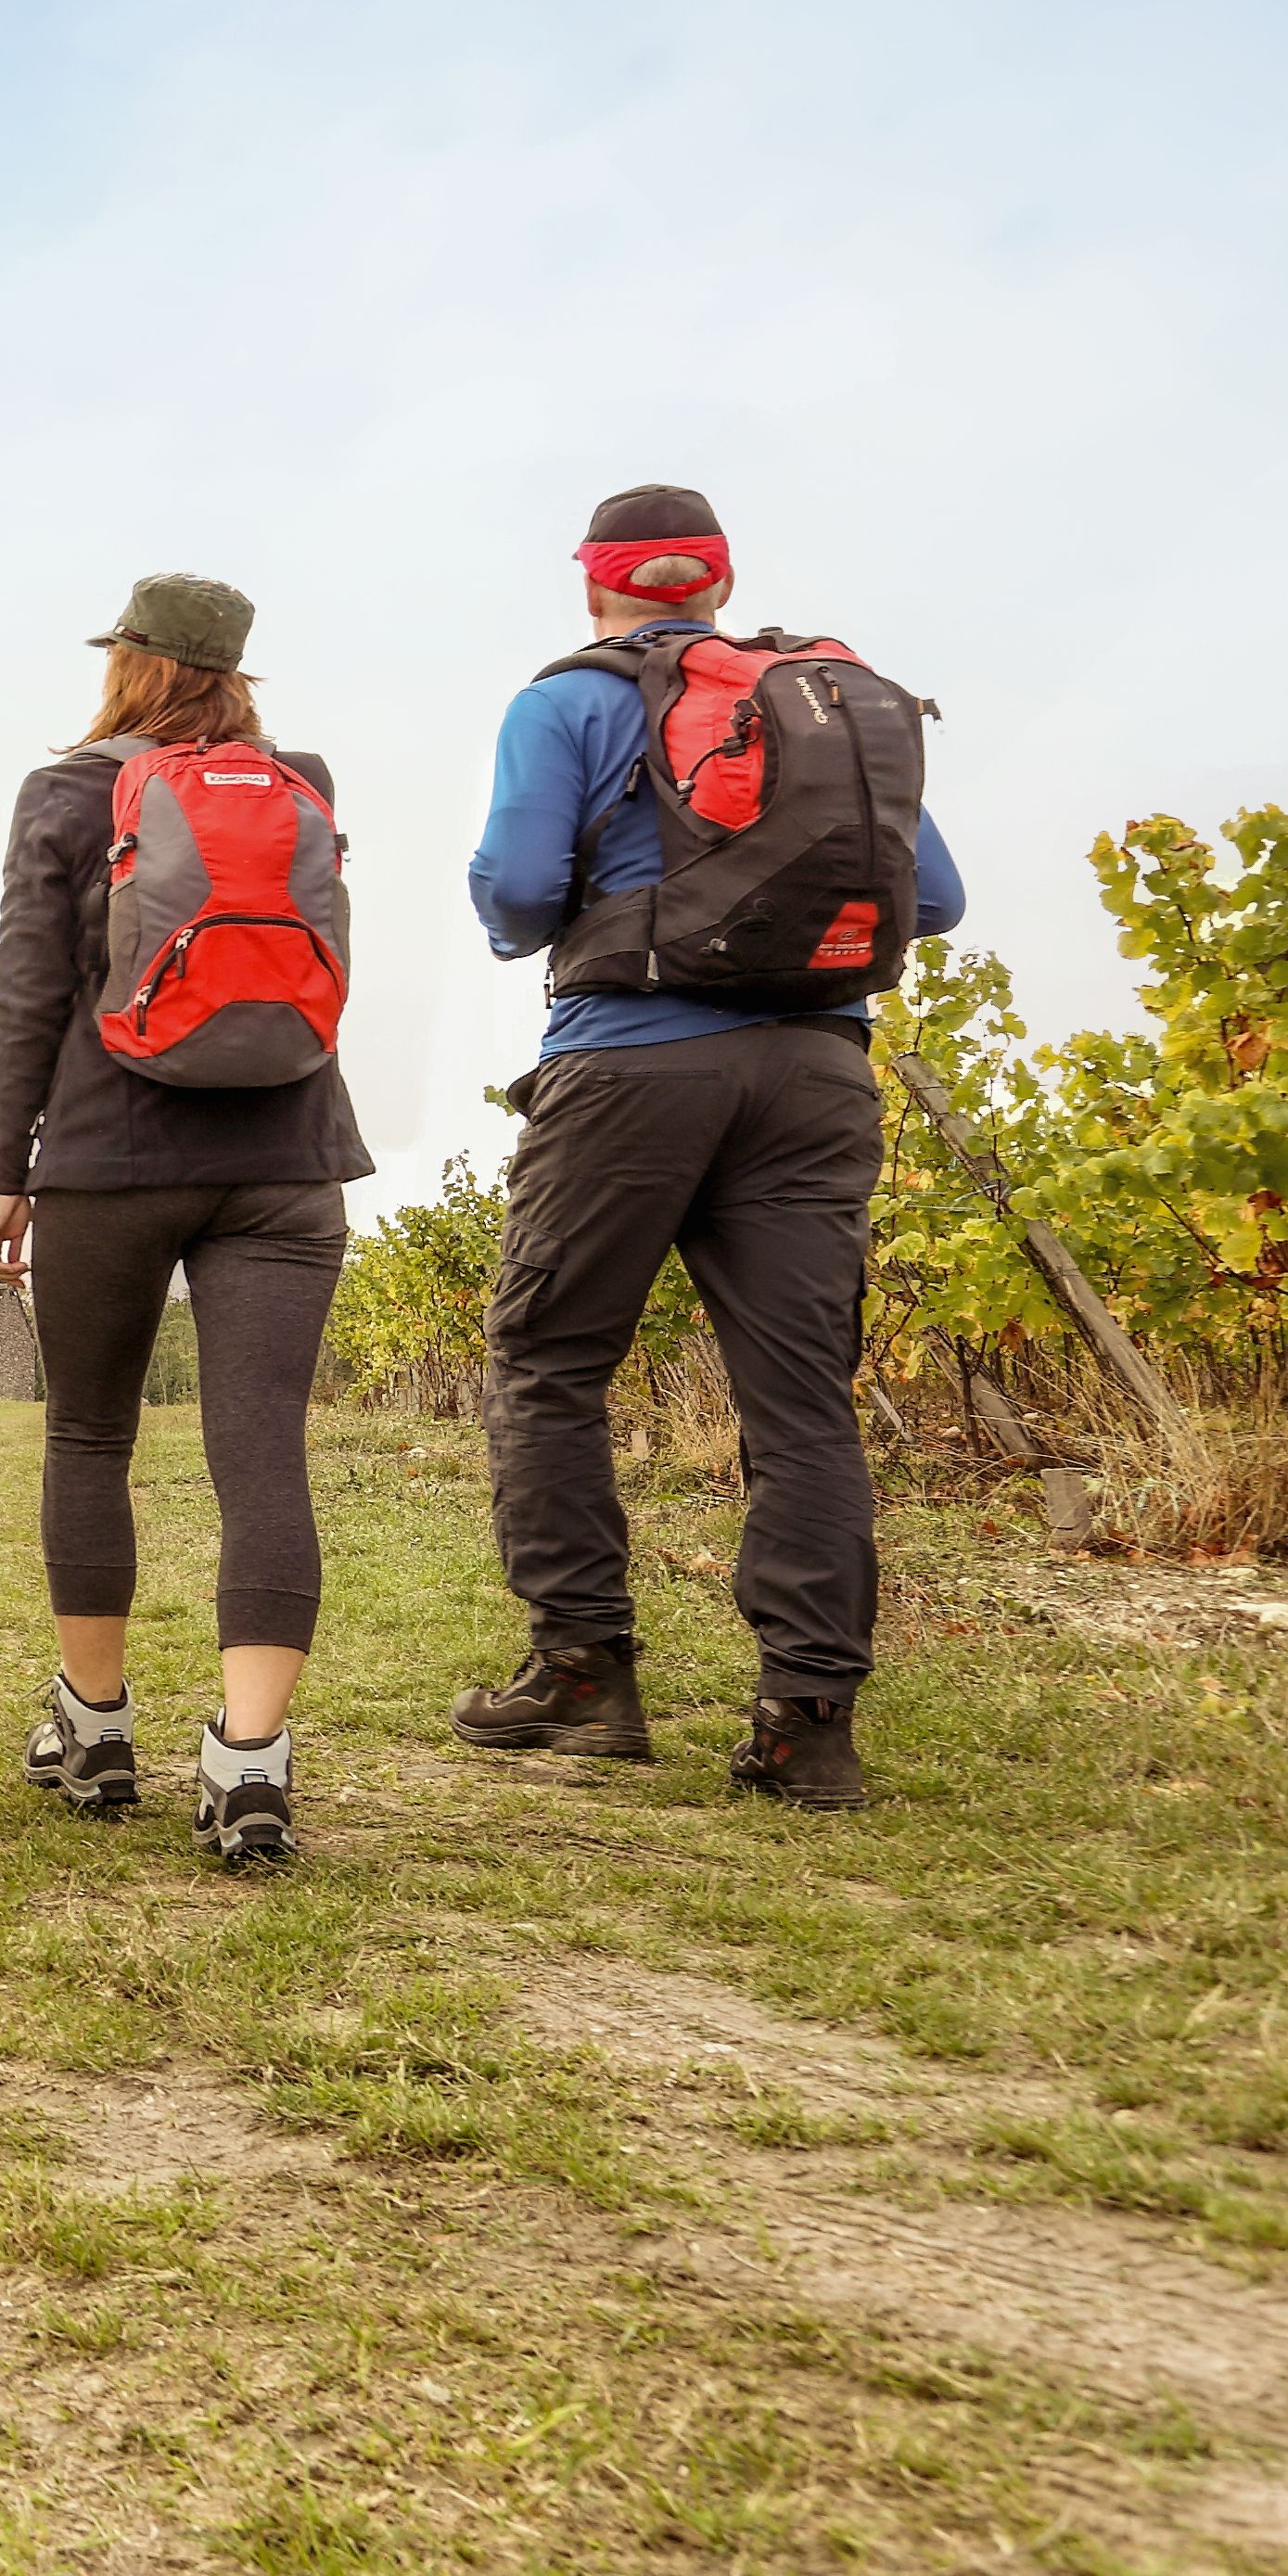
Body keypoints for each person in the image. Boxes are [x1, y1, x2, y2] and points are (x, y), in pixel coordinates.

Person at [451, 484, 963, 1811]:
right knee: (801, 1401)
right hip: (817, 1070)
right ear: (720, 582)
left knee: (551, 1357)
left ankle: (583, 1674)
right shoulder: (829, 700)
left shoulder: (565, 701)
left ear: (596, 586)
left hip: (628, 1064)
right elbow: (940, 897)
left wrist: (577, 911)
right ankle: (806, 1725)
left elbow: (514, 892)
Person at [0, 575, 372, 1866]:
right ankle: (250, 1764)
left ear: (130, 664)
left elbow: (31, 997)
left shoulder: (67, 795)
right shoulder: (300, 781)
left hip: (110, 1154)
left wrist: (6, 1165)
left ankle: (93, 1731)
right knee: (261, 1450)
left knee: (89, 1436)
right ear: (233, 672)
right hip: (288, 1154)